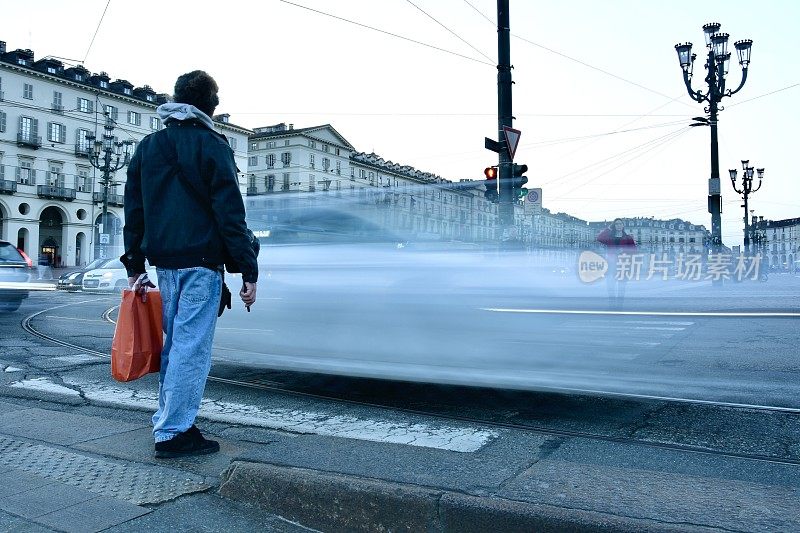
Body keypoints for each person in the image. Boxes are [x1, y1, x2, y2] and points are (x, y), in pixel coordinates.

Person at [121, 70, 258, 458]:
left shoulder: (149, 146)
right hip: (201, 263)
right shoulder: (213, 145)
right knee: (190, 349)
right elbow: (230, 215)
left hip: (164, 263)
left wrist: (134, 265)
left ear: (176, 98)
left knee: (175, 348)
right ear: (211, 105)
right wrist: (249, 270)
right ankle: (173, 433)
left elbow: (135, 210)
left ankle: (169, 420)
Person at [596, 218, 636, 309]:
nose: (618, 225)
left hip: (623, 264)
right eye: (616, 224)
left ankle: (620, 306)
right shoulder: (610, 237)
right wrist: (609, 228)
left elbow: (634, 251)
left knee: (622, 287)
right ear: (614, 225)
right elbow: (599, 238)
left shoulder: (628, 238)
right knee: (610, 285)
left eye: (620, 224)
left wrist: (624, 251)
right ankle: (612, 306)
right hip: (611, 264)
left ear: (623, 225)